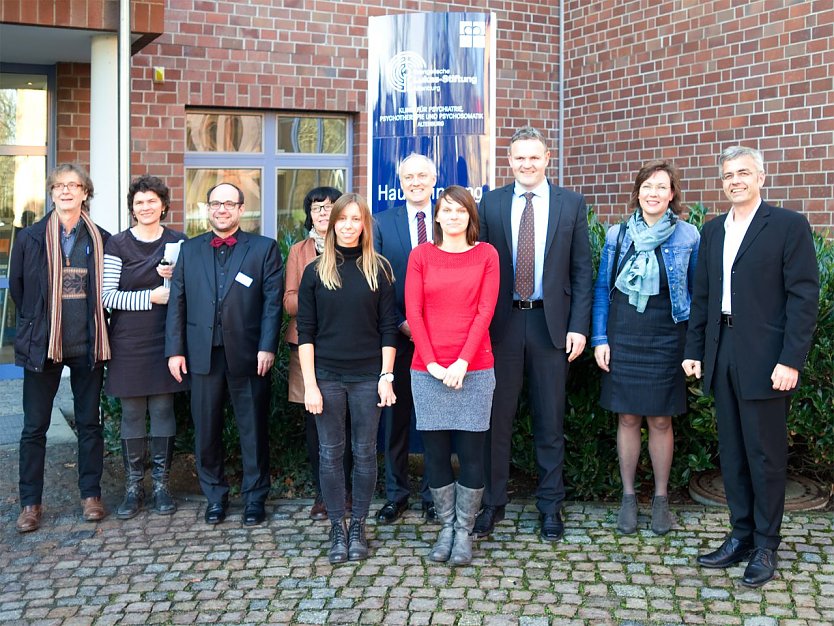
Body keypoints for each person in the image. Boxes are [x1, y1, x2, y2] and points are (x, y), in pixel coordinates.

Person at [683, 146, 818, 587]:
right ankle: (740, 535)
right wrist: (695, 350)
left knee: (765, 455)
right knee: (734, 453)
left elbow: (803, 298)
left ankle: (766, 543)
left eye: (743, 172)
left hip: (766, 358)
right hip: (722, 353)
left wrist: (790, 360)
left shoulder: (787, 226)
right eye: (727, 175)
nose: (734, 180)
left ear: (762, 176)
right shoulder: (713, 230)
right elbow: (701, 296)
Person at [476, 126, 593, 541]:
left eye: (534, 157)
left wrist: (579, 326)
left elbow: (582, 271)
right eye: (519, 158)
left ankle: (550, 507)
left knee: (549, 421)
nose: (526, 164)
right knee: (496, 421)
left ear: (548, 157)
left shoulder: (571, 204)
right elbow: (480, 270)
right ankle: (492, 504)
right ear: (509, 161)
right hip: (502, 325)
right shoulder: (490, 205)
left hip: (550, 326)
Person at [591, 160, 700, 535]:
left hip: (668, 334)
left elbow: (697, 295)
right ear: (638, 192)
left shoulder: (688, 236)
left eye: (661, 187)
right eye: (647, 186)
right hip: (624, 332)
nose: (653, 193)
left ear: (672, 195)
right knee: (627, 417)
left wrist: (694, 347)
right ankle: (627, 497)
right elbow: (602, 291)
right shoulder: (617, 235)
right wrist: (600, 339)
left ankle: (660, 498)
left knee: (660, 418)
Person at [165, 182, 283, 527]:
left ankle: (255, 498)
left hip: (248, 355)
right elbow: (178, 302)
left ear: (241, 209)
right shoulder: (189, 250)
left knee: (253, 430)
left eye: (229, 204)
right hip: (201, 354)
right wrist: (175, 351)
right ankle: (215, 496)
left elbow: (272, 304)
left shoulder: (264, 249)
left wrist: (267, 346)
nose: (222, 209)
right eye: (215, 203)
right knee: (207, 430)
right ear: (207, 208)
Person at [297, 192, 398, 564]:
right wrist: (310, 385)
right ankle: (337, 526)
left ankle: (359, 524)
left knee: (366, 453)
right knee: (330, 453)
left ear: (364, 224)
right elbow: (305, 332)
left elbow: (389, 328)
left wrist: (386, 376)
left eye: (356, 219)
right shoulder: (315, 272)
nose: (349, 225)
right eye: (343, 219)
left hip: (368, 376)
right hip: (327, 376)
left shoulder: (380, 269)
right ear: (331, 223)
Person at [10, 163, 111, 532]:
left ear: (86, 192)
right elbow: (19, 290)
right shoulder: (31, 238)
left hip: (87, 346)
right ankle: (30, 504)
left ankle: (91, 495)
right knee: (34, 427)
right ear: (52, 193)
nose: (66, 191)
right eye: (59, 186)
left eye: (74, 185)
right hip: (43, 346)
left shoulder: (102, 238)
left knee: (89, 424)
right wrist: (43, 324)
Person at [405, 185, 499, 565]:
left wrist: (461, 362)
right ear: (437, 216)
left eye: (462, 210)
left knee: (473, 456)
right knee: (436, 455)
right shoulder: (421, 256)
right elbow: (414, 313)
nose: (454, 216)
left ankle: (464, 532)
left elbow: (484, 312)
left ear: (470, 217)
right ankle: (445, 527)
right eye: (447, 210)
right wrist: (432, 364)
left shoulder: (486, 255)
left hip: (474, 369)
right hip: (427, 372)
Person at [102, 175, 188, 520]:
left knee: (164, 410)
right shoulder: (118, 245)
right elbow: (108, 296)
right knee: (133, 414)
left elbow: (188, 291)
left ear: (163, 205)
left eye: (152, 201)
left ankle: (162, 487)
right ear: (132, 208)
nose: (146, 207)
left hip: (167, 338)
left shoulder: (179, 241)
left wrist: (173, 280)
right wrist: (150, 297)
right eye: (139, 202)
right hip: (128, 339)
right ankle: (134, 487)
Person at [372, 153, 438, 524]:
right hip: (396, 337)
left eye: (422, 176)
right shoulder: (382, 223)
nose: (415, 182)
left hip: (441, 339)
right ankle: (396, 495)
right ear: (400, 182)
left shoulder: (448, 219)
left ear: (433, 179)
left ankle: (433, 493)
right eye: (408, 177)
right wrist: (400, 322)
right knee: (394, 419)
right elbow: (377, 283)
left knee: (433, 418)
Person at [283, 186, 353, 520]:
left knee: (349, 422)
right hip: (306, 348)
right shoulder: (299, 251)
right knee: (316, 424)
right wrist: (323, 296)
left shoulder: (354, 245)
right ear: (308, 215)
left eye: (328, 207)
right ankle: (323, 494)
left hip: (348, 345)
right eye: (316, 208)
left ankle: (348, 492)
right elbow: (289, 301)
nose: (323, 213)